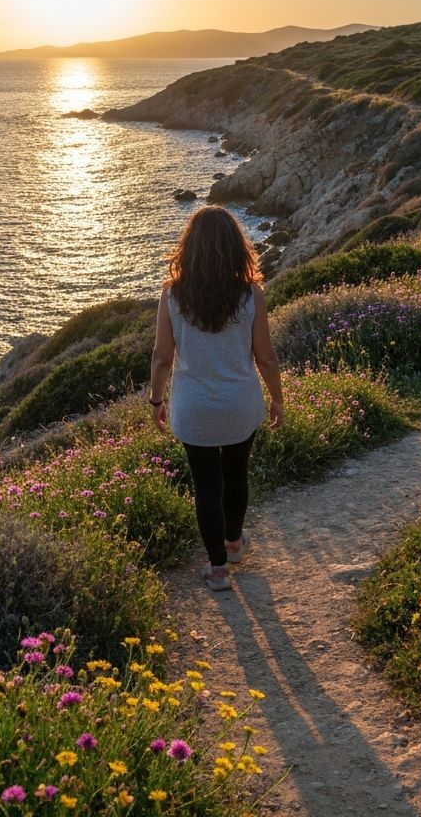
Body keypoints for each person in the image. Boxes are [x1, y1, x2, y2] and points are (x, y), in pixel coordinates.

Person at [149, 205, 284, 591]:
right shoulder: (251, 294)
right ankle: (234, 543)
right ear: (235, 245)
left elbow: (162, 357)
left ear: (189, 247)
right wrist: (277, 399)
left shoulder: (173, 294)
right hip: (240, 405)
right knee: (236, 474)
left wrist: (156, 401)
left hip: (194, 410)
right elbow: (265, 357)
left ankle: (218, 568)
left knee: (206, 485)